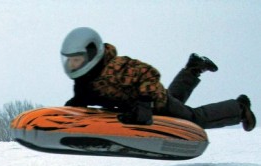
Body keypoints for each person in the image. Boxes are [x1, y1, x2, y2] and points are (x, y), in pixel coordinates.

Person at [61, 27, 256, 131]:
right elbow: (84, 98)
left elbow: (148, 73)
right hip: (146, 104)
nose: (72, 65)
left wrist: (145, 104)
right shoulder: (85, 81)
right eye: (70, 61)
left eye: (76, 60)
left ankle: (239, 108)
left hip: (153, 101)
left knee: (192, 119)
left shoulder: (115, 67)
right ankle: (192, 69)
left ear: (91, 55)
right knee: (172, 99)